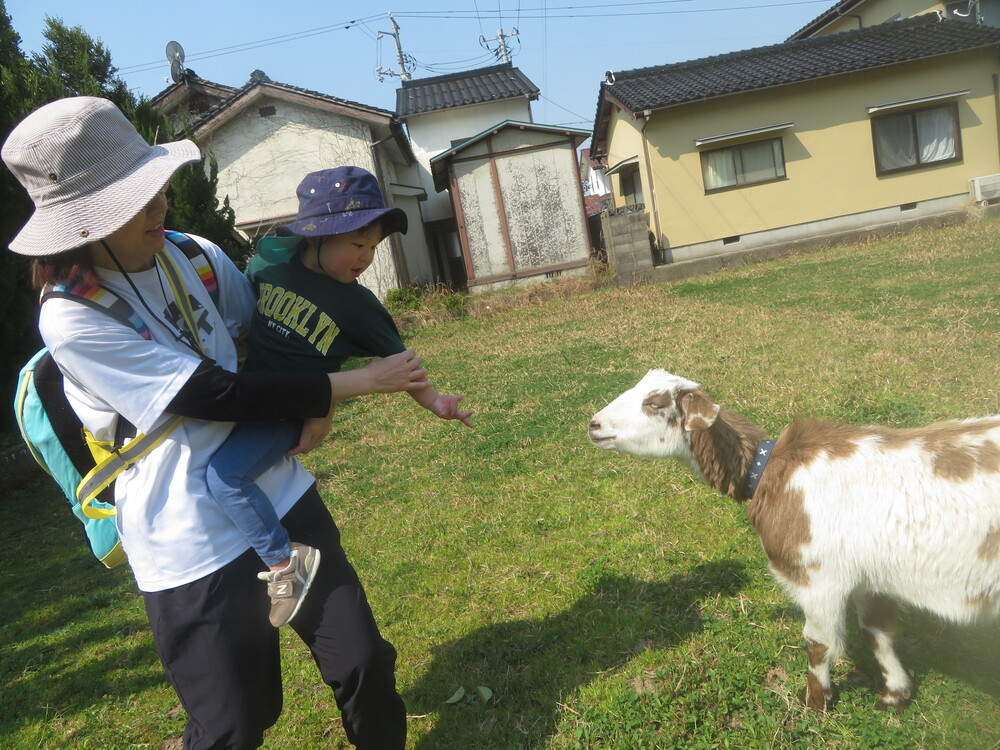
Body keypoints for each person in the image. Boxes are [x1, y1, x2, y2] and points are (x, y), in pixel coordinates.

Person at [2, 96, 418, 749]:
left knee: (363, 660)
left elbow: (272, 344)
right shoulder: (72, 317)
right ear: (83, 225)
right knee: (236, 723)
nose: (158, 206)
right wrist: (351, 385)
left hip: (277, 491)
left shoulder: (193, 255)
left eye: (154, 187)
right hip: (186, 542)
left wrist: (319, 400)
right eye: (131, 201)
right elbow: (213, 393)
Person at [205, 165, 473, 628]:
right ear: (317, 235)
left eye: (373, 247)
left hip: (287, 411)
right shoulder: (270, 259)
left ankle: (283, 562)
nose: (366, 257)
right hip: (247, 393)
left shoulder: (359, 306)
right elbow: (246, 305)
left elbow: (399, 361)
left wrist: (434, 401)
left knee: (225, 477)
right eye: (357, 244)